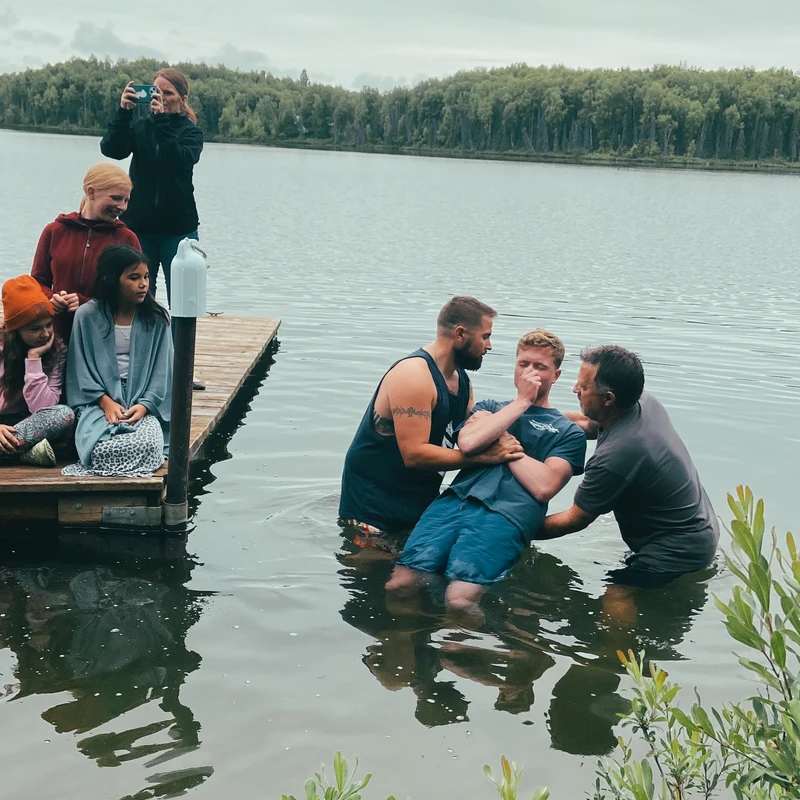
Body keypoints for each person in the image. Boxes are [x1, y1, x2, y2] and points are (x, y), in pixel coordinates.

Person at [386, 329, 586, 616]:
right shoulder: (489, 407)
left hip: (506, 515)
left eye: (540, 367)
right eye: (523, 364)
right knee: (400, 585)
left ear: (555, 375)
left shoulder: (567, 432)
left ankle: (466, 654)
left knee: (459, 599)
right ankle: (411, 651)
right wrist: (520, 403)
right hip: (455, 502)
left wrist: (503, 442)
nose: (529, 373)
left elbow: (544, 485)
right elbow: (468, 442)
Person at [338, 295, 524, 535]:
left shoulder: (461, 381)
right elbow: (414, 454)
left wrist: (528, 413)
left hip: (415, 504)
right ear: (460, 334)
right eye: (486, 336)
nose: (489, 346)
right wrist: (484, 458)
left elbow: (471, 433)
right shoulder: (414, 376)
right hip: (373, 508)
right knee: (372, 572)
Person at [537, 344, 719, 588]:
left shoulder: (615, 456)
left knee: (617, 595)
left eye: (583, 386)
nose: (574, 389)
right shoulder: (640, 401)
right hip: (700, 524)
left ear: (608, 399)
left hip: (678, 550)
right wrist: (528, 416)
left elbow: (575, 519)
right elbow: (588, 423)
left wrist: (515, 528)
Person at [63, 245, 172, 477]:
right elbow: (79, 370)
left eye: (146, 277)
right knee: (98, 449)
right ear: (112, 280)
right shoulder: (86, 316)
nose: (143, 284)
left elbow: (162, 371)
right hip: (98, 401)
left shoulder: (158, 318)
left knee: (151, 445)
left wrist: (144, 406)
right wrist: (106, 403)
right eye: (134, 278)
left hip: (142, 400)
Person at [100, 68, 203, 306]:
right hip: (139, 227)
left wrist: (162, 122)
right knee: (137, 300)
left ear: (183, 99)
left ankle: (180, 344)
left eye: (168, 93)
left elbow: (177, 159)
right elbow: (112, 149)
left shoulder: (191, 133)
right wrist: (124, 113)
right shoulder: (142, 126)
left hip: (179, 230)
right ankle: (142, 343)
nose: (162, 98)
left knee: (183, 300)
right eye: (157, 92)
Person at [31, 163, 139, 341]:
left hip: (101, 334)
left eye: (126, 200)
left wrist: (84, 303)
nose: (122, 207)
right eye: (116, 198)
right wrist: (53, 299)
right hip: (55, 333)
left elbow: (134, 293)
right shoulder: (54, 231)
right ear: (91, 192)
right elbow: (37, 282)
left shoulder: (127, 239)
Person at [0, 275, 75, 466]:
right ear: (15, 330)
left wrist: (34, 360)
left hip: (26, 423)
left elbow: (43, 408)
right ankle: (23, 452)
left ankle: (12, 451)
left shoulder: (57, 351)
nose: (45, 334)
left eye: (49, 325)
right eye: (35, 329)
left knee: (64, 414)